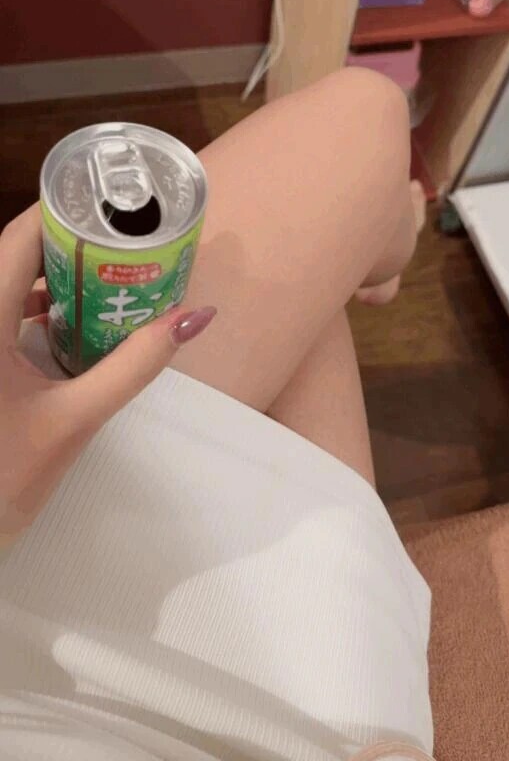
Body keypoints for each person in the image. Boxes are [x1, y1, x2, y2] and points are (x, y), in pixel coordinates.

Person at [0, 69, 434, 761]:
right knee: (366, 114)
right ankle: (389, 244)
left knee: (304, 288)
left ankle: (378, 246)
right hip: (286, 694)